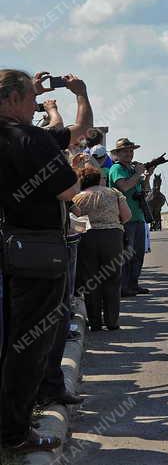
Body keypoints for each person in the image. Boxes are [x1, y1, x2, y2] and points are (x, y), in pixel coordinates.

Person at [0, 69, 80, 453]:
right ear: (13, 100)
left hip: (9, 244)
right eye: (31, 99)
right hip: (35, 252)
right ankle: (14, 432)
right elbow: (68, 188)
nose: (36, 106)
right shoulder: (29, 137)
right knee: (29, 346)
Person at [70, 165, 131, 330]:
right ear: (99, 179)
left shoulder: (77, 197)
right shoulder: (114, 193)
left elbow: (75, 222)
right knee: (112, 279)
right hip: (112, 237)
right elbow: (126, 216)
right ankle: (112, 321)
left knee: (90, 281)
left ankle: (95, 322)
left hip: (87, 238)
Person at [108, 137, 152, 296]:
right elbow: (124, 186)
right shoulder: (116, 169)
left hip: (138, 217)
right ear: (118, 154)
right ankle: (123, 286)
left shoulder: (134, 169)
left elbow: (145, 190)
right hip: (124, 218)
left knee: (138, 253)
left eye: (131, 151)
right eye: (125, 151)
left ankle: (133, 284)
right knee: (126, 254)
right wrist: (138, 174)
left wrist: (147, 176)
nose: (129, 154)